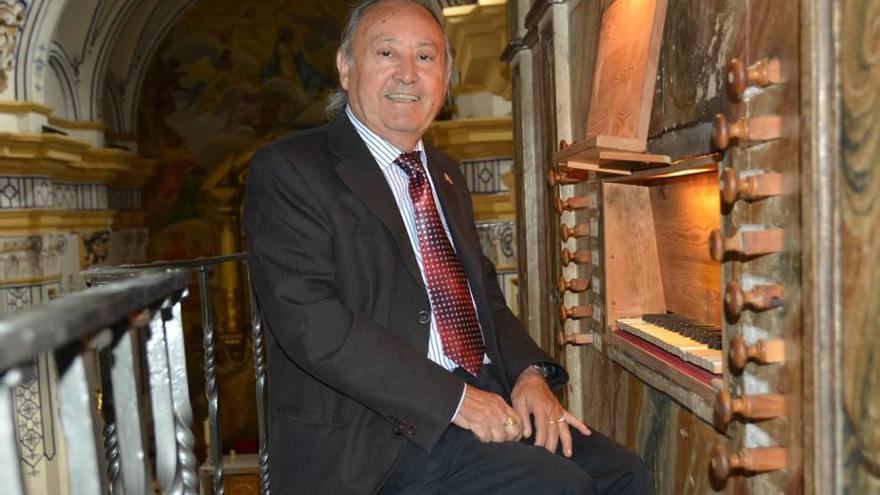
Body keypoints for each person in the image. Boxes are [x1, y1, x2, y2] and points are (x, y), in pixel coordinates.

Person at [243, 1, 650, 493]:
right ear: (346, 67)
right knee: (555, 486)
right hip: (376, 433)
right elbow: (313, 324)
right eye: (387, 53)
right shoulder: (291, 169)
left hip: (481, 398)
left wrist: (527, 374)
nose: (408, 75)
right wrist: (455, 400)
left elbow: (485, 300)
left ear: (446, 76)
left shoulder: (445, 175)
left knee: (624, 473)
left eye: (426, 58)